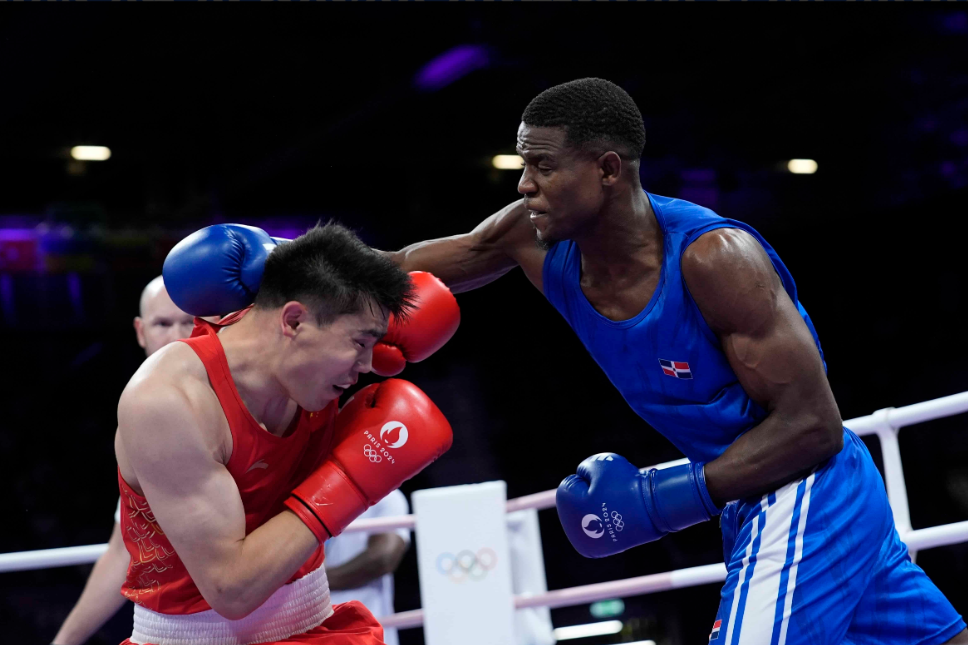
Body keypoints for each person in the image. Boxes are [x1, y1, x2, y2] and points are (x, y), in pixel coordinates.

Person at [382, 79, 967, 644]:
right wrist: (299, 264)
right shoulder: (530, 240)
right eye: (524, 165)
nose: (524, 185)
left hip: (807, 487)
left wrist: (660, 500)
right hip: (748, 497)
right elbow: (402, 264)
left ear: (608, 170)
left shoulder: (715, 259)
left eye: (543, 166)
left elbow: (813, 426)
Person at [113, 223, 455, 645]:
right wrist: (347, 482)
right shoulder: (169, 401)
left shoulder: (309, 360)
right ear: (293, 321)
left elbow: (338, 266)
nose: (368, 365)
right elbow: (230, 589)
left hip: (319, 627)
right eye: (360, 343)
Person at [52, 276, 196, 645]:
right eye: (163, 324)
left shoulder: (254, 401)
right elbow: (125, 552)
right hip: (177, 625)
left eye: (190, 321)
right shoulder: (143, 416)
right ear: (141, 331)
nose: (179, 336)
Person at [325, 489, 410, 645]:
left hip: (364, 631)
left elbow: (384, 557)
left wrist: (314, 583)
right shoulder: (291, 495)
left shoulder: (385, 495)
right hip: (306, 627)